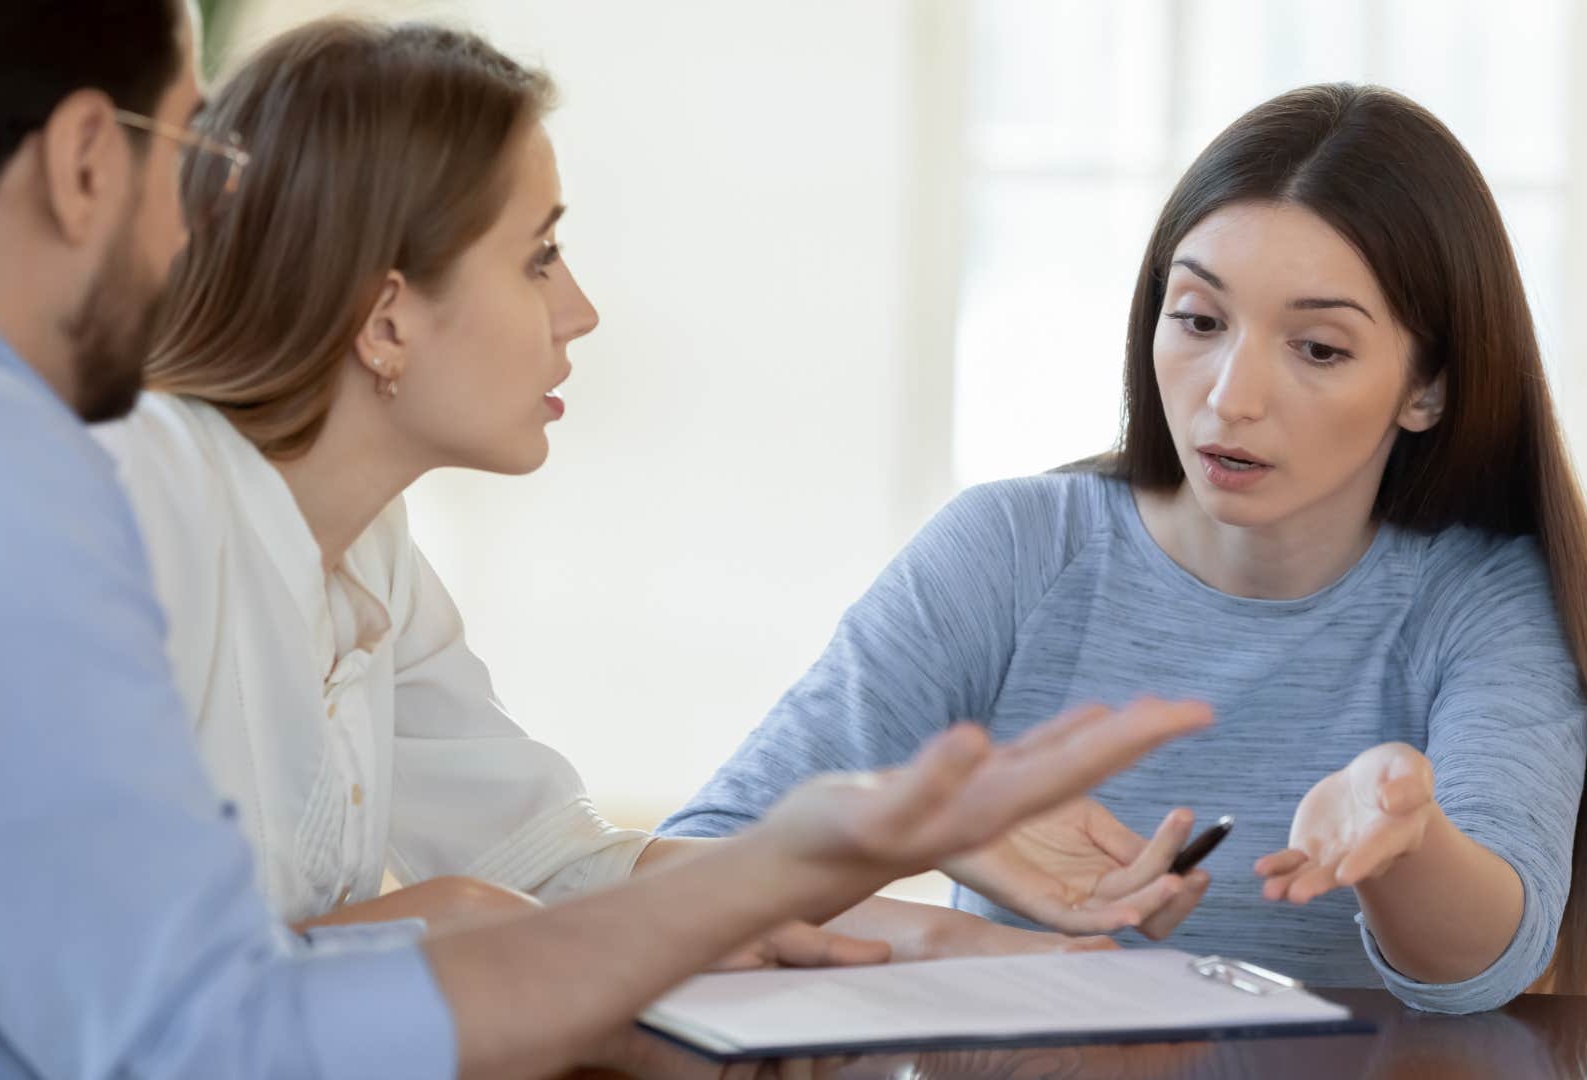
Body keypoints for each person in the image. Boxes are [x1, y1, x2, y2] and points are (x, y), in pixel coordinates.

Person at [0, 2, 1211, 1077]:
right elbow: (195, 1029)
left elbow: (552, 875)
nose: (196, 219)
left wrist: (943, 934)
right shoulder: (19, 474)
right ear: (84, 161)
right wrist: (460, 925)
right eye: (183, 150)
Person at [95, 17, 1200, 957]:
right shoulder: (139, 501)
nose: (578, 311)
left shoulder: (369, 549)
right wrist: (446, 923)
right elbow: (104, 982)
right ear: (387, 320)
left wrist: (919, 889)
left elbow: (560, 865)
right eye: (538, 258)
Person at [661, 83, 1587, 1013]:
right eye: (1199, 320)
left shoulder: (1481, 598)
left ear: (1426, 388)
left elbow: (1484, 972)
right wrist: (944, 853)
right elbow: (686, 872)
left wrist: (1406, 842)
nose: (1230, 396)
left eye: (1318, 348)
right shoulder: (1011, 550)